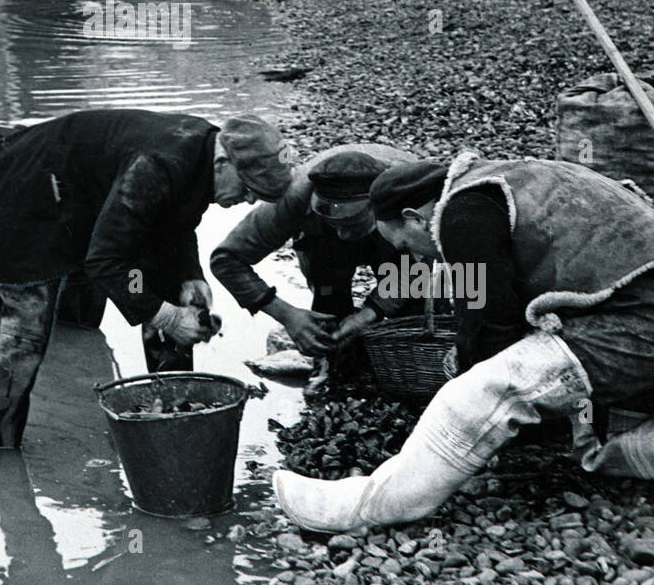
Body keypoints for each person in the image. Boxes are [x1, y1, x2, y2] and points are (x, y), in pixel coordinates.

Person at [273, 152, 654, 532]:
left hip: (639, 321)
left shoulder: (462, 217)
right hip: (631, 298)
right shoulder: (491, 183)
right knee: (592, 423)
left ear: (415, 219)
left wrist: (470, 381)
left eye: (405, 247)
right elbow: (495, 292)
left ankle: (372, 506)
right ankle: (618, 446)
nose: (409, 257)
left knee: (486, 389)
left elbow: (491, 322)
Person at [0, 109, 292, 447]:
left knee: (162, 290)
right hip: (32, 187)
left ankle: (172, 426)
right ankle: (1, 442)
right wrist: (168, 316)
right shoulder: (158, 165)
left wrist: (190, 277)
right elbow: (105, 261)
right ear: (223, 162)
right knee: (26, 332)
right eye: (248, 188)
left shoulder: (205, 153)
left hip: (94, 195)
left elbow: (177, 224)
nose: (248, 200)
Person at [210, 143, 419, 357]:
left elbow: (422, 266)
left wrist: (371, 312)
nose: (343, 236)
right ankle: (336, 364)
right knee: (328, 314)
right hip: (323, 245)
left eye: (351, 224)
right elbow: (226, 259)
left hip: (391, 229)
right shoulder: (292, 197)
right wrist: (287, 315)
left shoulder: (411, 195)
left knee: (416, 310)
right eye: (334, 224)